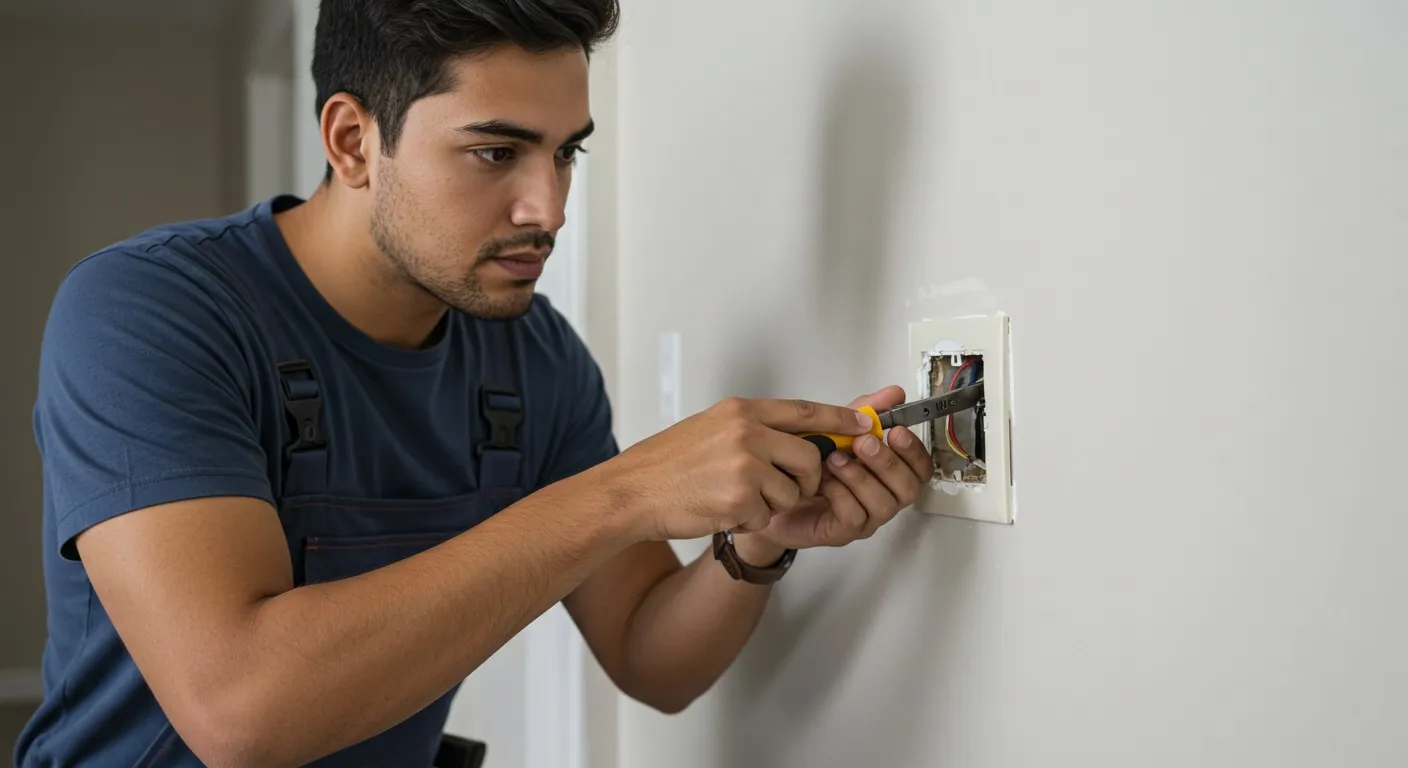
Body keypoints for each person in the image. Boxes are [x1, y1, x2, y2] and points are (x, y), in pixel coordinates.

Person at [14, 1, 933, 765]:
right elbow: (243, 710)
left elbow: (652, 658)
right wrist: (628, 491)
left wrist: (758, 544)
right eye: (497, 153)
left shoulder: (535, 359)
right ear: (352, 141)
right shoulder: (148, 312)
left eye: (568, 151)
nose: (550, 208)